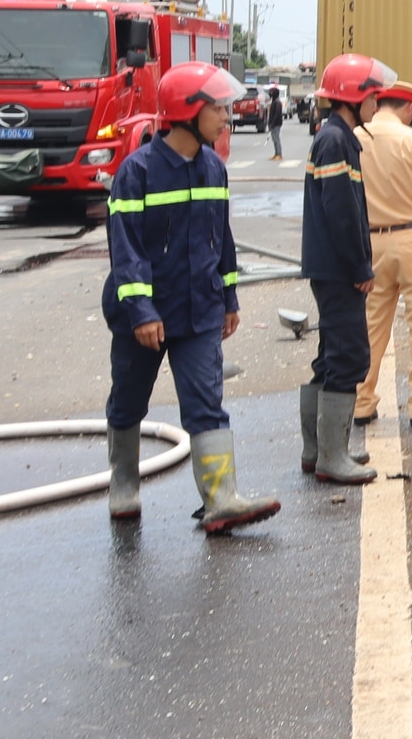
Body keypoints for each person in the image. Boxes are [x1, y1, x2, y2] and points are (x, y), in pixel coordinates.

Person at [102, 63, 280, 532]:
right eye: (218, 108)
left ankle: (222, 499)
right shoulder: (135, 173)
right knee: (128, 401)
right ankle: (123, 486)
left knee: (206, 402)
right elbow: (127, 252)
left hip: (199, 310)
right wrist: (141, 311)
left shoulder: (213, 168)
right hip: (144, 317)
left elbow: (221, 238)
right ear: (186, 112)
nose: (227, 117)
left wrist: (230, 297)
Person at [300, 52, 395, 485]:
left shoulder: (336, 137)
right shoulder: (336, 141)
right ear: (353, 99)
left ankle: (318, 449)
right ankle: (330, 457)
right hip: (338, 269)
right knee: (349, 355)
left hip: (330, 266)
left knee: (330, 356)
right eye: (373, 96)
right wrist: (359, 266)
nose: (378, 103)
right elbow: (341, 213)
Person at [353, 83, 412, 430]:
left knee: (370, 325)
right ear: (409, 108)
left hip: (371, 242)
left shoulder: (355, 137)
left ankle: (361, 402)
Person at [263, 81, 286, 160]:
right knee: (274, 139)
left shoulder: (277, 102)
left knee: (276, 139)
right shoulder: (273, 102)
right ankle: (276, 154)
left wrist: (272, 123)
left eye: (271, 92)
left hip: (276, 124)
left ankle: (279, 154)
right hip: (273, 124)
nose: (270, 94)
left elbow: (277, 114)